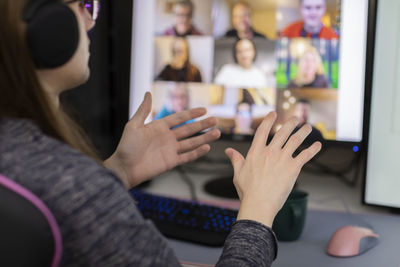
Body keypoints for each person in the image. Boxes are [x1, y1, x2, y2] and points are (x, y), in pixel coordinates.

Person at [0, 0, 321, 266]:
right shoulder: (71, 183)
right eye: (84, 4)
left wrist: (116, 172)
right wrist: (259, 209)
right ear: (45, 26)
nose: (91, 19)